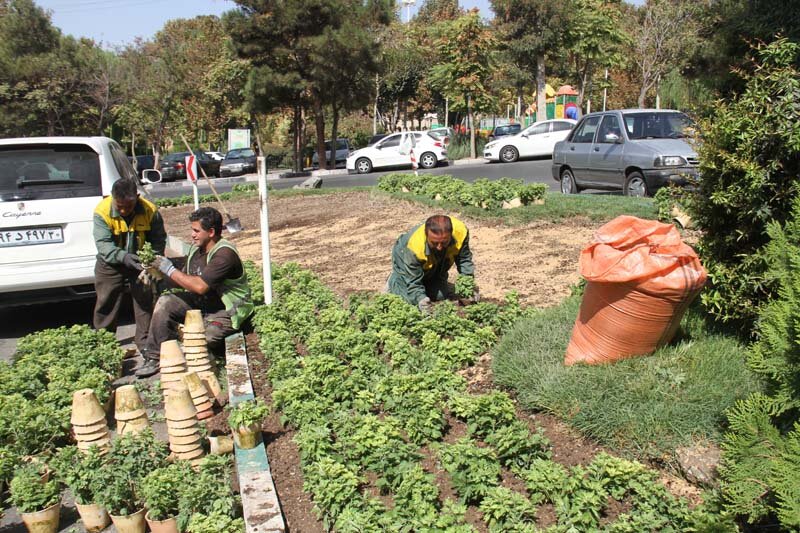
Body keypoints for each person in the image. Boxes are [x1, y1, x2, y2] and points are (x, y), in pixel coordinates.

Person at [135, 207, 254, 378]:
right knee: (166, 302)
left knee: (205, 336)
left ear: (211, 232)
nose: (192, 235)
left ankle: (210, 352)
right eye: (192, 230)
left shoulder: (224, 254)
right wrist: (158, 274)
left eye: (196, 231)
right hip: (202, 304)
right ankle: (154, 357)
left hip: (226, 311)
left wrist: (169, 269)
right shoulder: (196, 250)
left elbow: (200, 286)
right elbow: (185, 279)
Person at [93, 178, 166, 358]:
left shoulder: (150, 210)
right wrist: (123, 257)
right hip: (110, 262)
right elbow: (103, 245)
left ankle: (145, 342)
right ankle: (104, 342)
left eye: (129, 206)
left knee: (144, 299)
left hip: (140, 261)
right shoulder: (102, 211)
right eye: (120, 207)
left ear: (137, 197)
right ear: (113, 198)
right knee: (107, 300)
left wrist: (152, 259)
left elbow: (158, 239)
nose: (124, 210)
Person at [387, 214, 477, 313]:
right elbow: (414, 283)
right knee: (411, 302)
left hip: (434, 261)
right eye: (434, 243)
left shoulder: (461, 232)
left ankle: (428, 279)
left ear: (451, 234)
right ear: (426, 235)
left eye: (444, 242)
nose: (439, 247)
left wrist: (469, 284)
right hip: (404, 257)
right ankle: (395, 280)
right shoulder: (413, 248)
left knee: (440, 296)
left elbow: (464, 259)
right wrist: (420, 299)